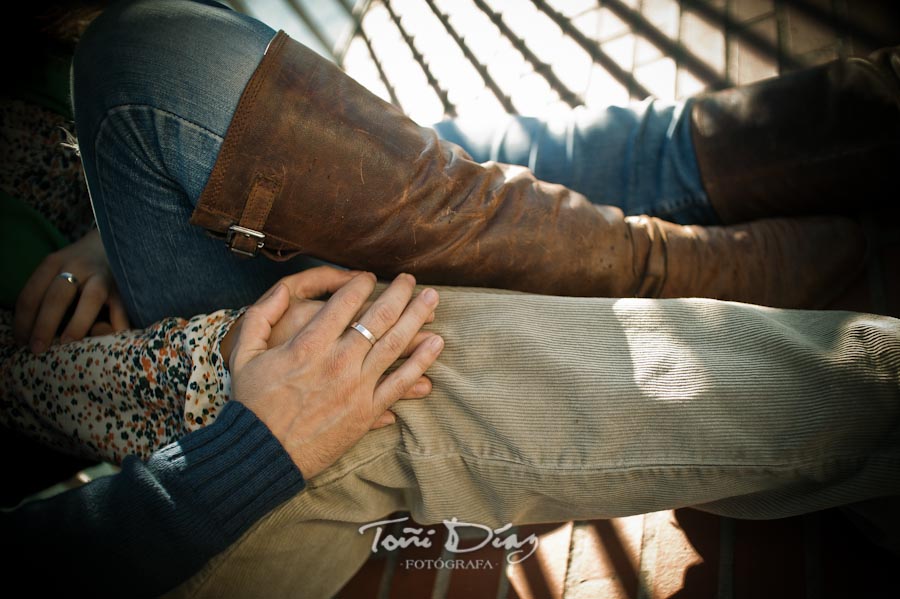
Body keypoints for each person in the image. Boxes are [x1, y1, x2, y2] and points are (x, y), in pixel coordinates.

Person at [1, 0, 897, 596]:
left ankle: (678, 256)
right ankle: (727, 293)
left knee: (148, 56)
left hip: (173, 237)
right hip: (179, 410)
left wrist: (108, 229)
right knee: (405, 331)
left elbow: (213, 52)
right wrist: (251, 451)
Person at [4, 266, 444, 597]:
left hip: (155, 355)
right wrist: (258, 444)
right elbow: (51, 562)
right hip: (192, 495)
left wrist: (103, 236)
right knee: (430, 363)